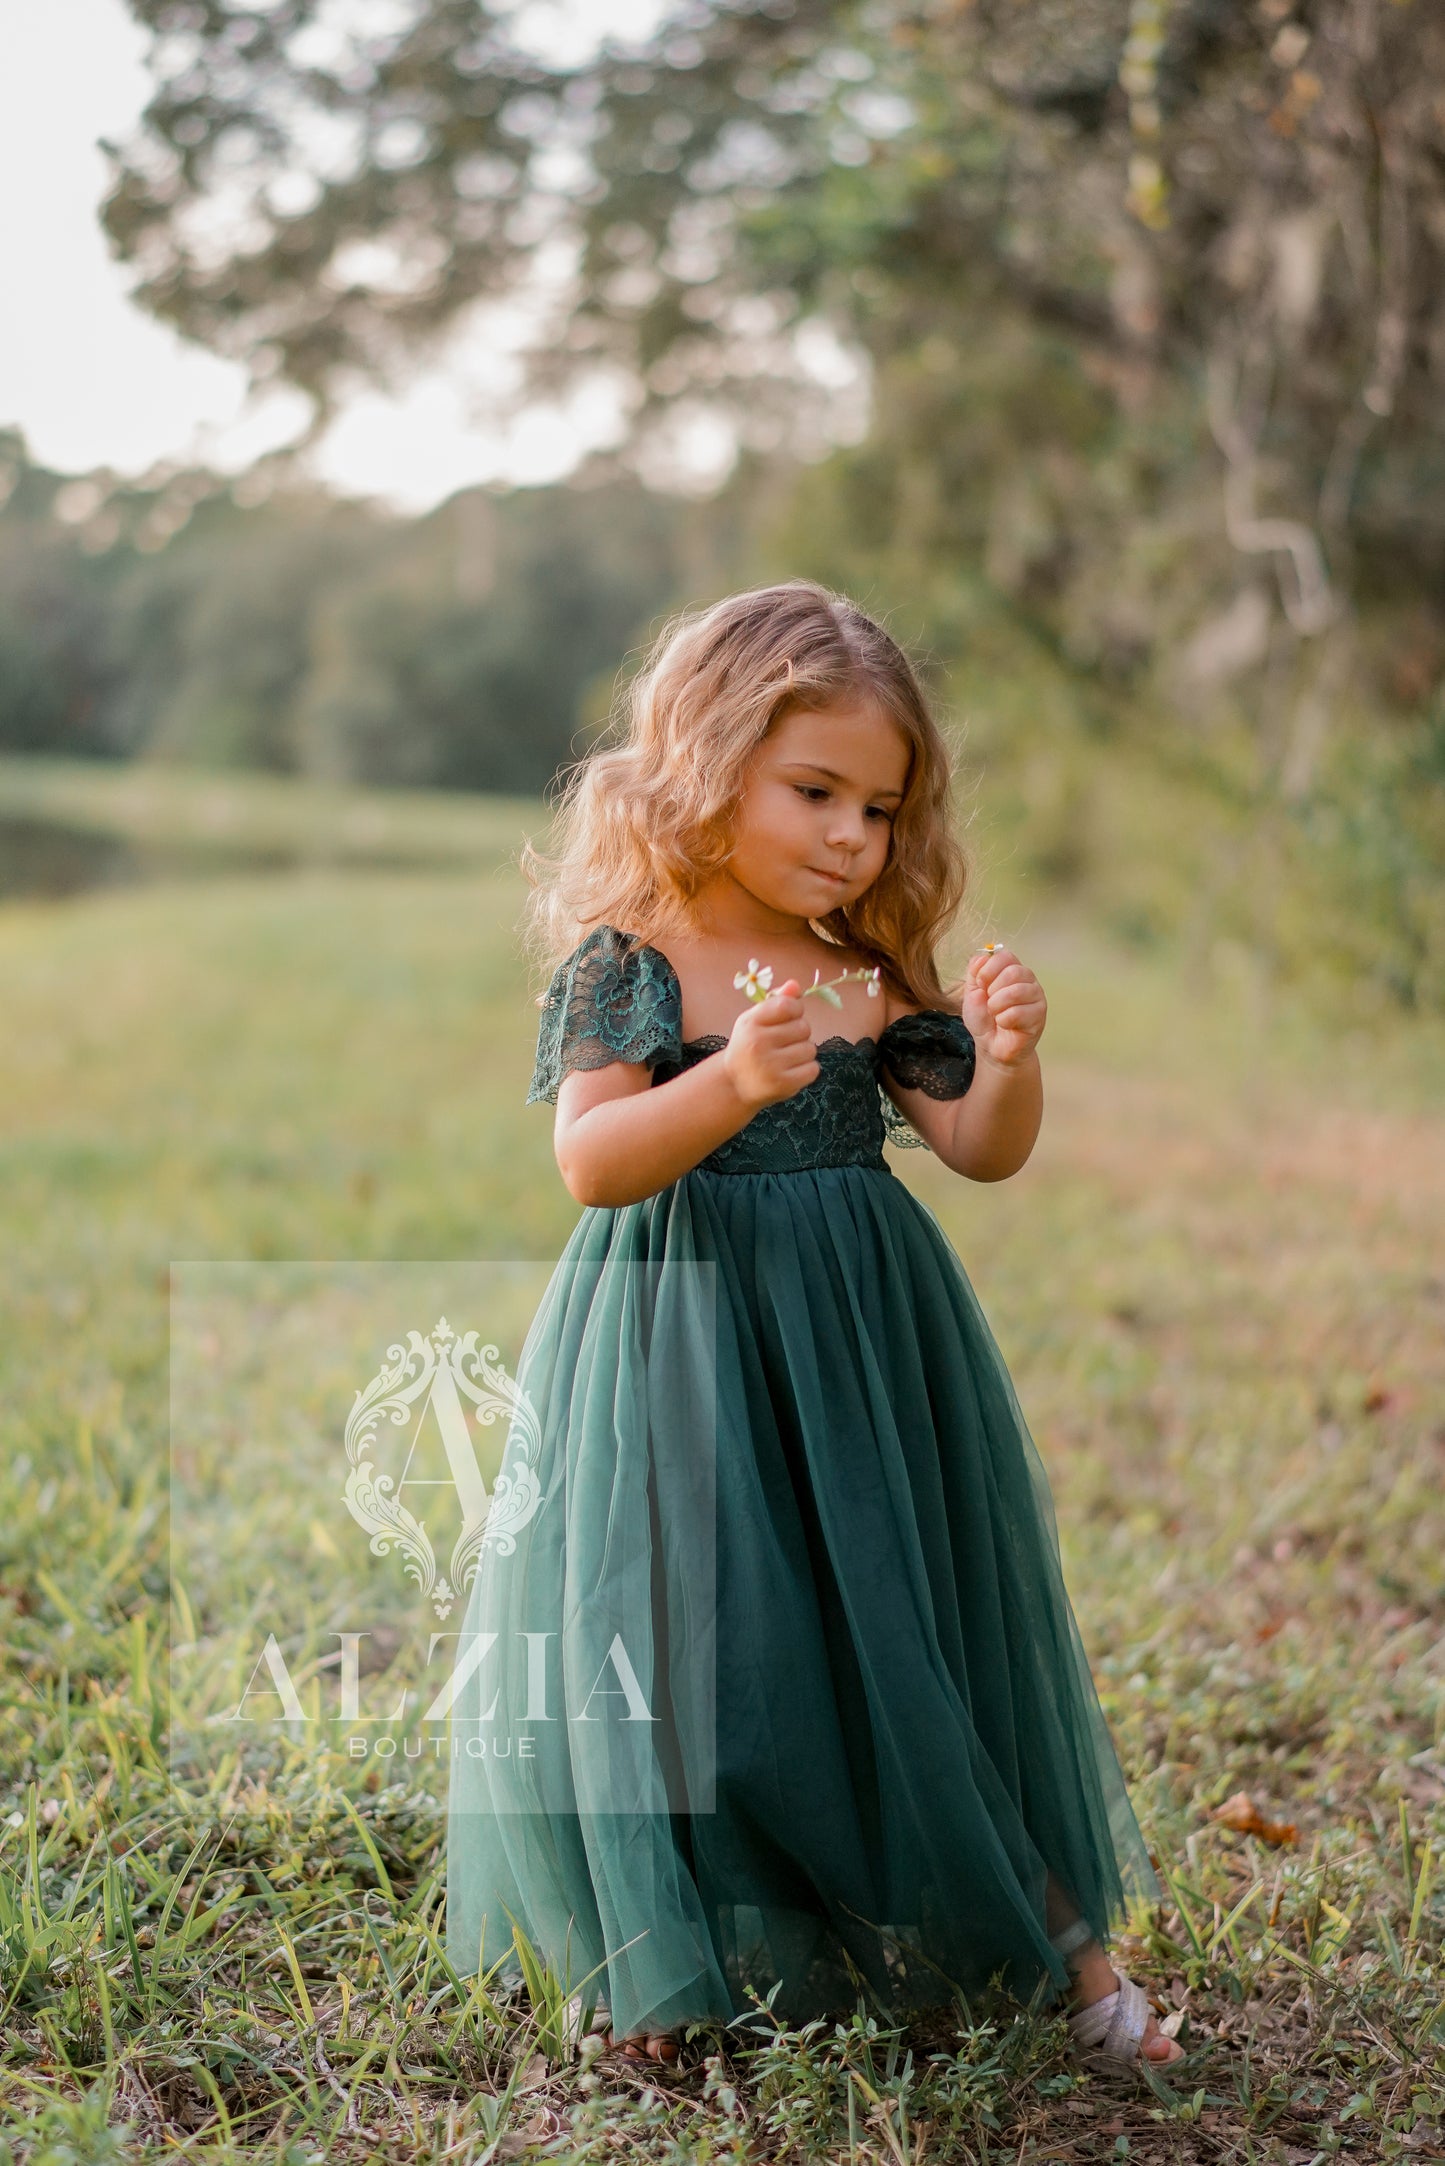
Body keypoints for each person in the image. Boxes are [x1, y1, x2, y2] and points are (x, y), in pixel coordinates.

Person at [445, 581, 1184, 2078]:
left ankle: (1059, 1957)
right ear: (703, 764)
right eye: (816, 792)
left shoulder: (862, 969)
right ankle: (663, 1970)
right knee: (678, 1635)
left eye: (880, 807)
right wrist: (725, 1084)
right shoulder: (630, 959)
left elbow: (978, 1146)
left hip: (859, 1350)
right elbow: (592, 1162)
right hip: (678, 1346)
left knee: (895, 1628)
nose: (853, 835)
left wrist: (1013, 1062)